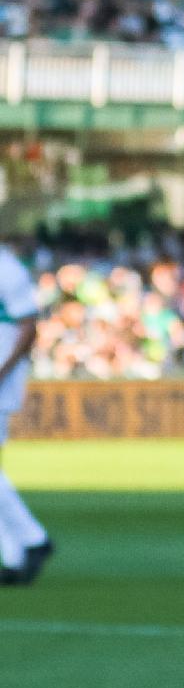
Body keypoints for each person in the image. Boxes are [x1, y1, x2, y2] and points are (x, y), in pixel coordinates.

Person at [0, 243, 51, 586]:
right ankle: (15, 557)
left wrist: (2, 372)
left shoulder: (7, 268)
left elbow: (29, 325)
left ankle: (33, 540)